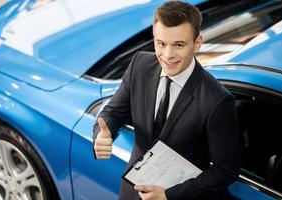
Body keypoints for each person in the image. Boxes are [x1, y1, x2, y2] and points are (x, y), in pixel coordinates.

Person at [93, 1, 240, 200]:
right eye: (160, 43)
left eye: (179, 45)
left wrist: (169, 195)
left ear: (197, 43)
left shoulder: (217, 100)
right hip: (133, 191)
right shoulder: (139, 64)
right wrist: (105, 133)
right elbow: (113, 113)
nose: (168, 55)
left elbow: (226, 170)